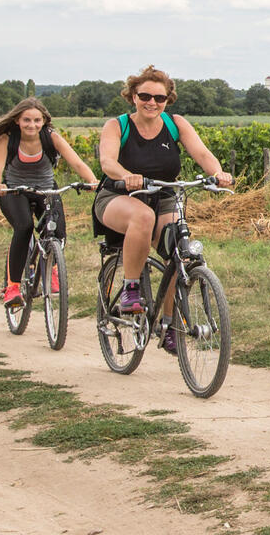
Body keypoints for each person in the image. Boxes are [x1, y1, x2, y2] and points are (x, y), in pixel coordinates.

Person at [92, 65, 232, 354]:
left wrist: (218, 173)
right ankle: (131, 288)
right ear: (133, 96)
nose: (152, 103)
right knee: (142, 217)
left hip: (164, 195)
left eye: (160, 98)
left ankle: (169, 325)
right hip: (118, 195)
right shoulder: (117, 126)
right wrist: (125, 175)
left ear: (168, 100)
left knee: (177, 251)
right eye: (145, 96)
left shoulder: (175, 124)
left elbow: (203, 154)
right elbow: (107, 162)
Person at [0, 97, 99, 307]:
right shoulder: (7, 139)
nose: (32, 125)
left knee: (57, 231)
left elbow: (75, 161)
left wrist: (92, 180)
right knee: (24, 227)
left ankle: (53, 268)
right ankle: (12, 288)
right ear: (18, 121)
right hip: (14, 191)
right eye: (27, 120)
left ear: (44, 121)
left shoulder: (51, 138)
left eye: (37, 120)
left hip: (45, 189)